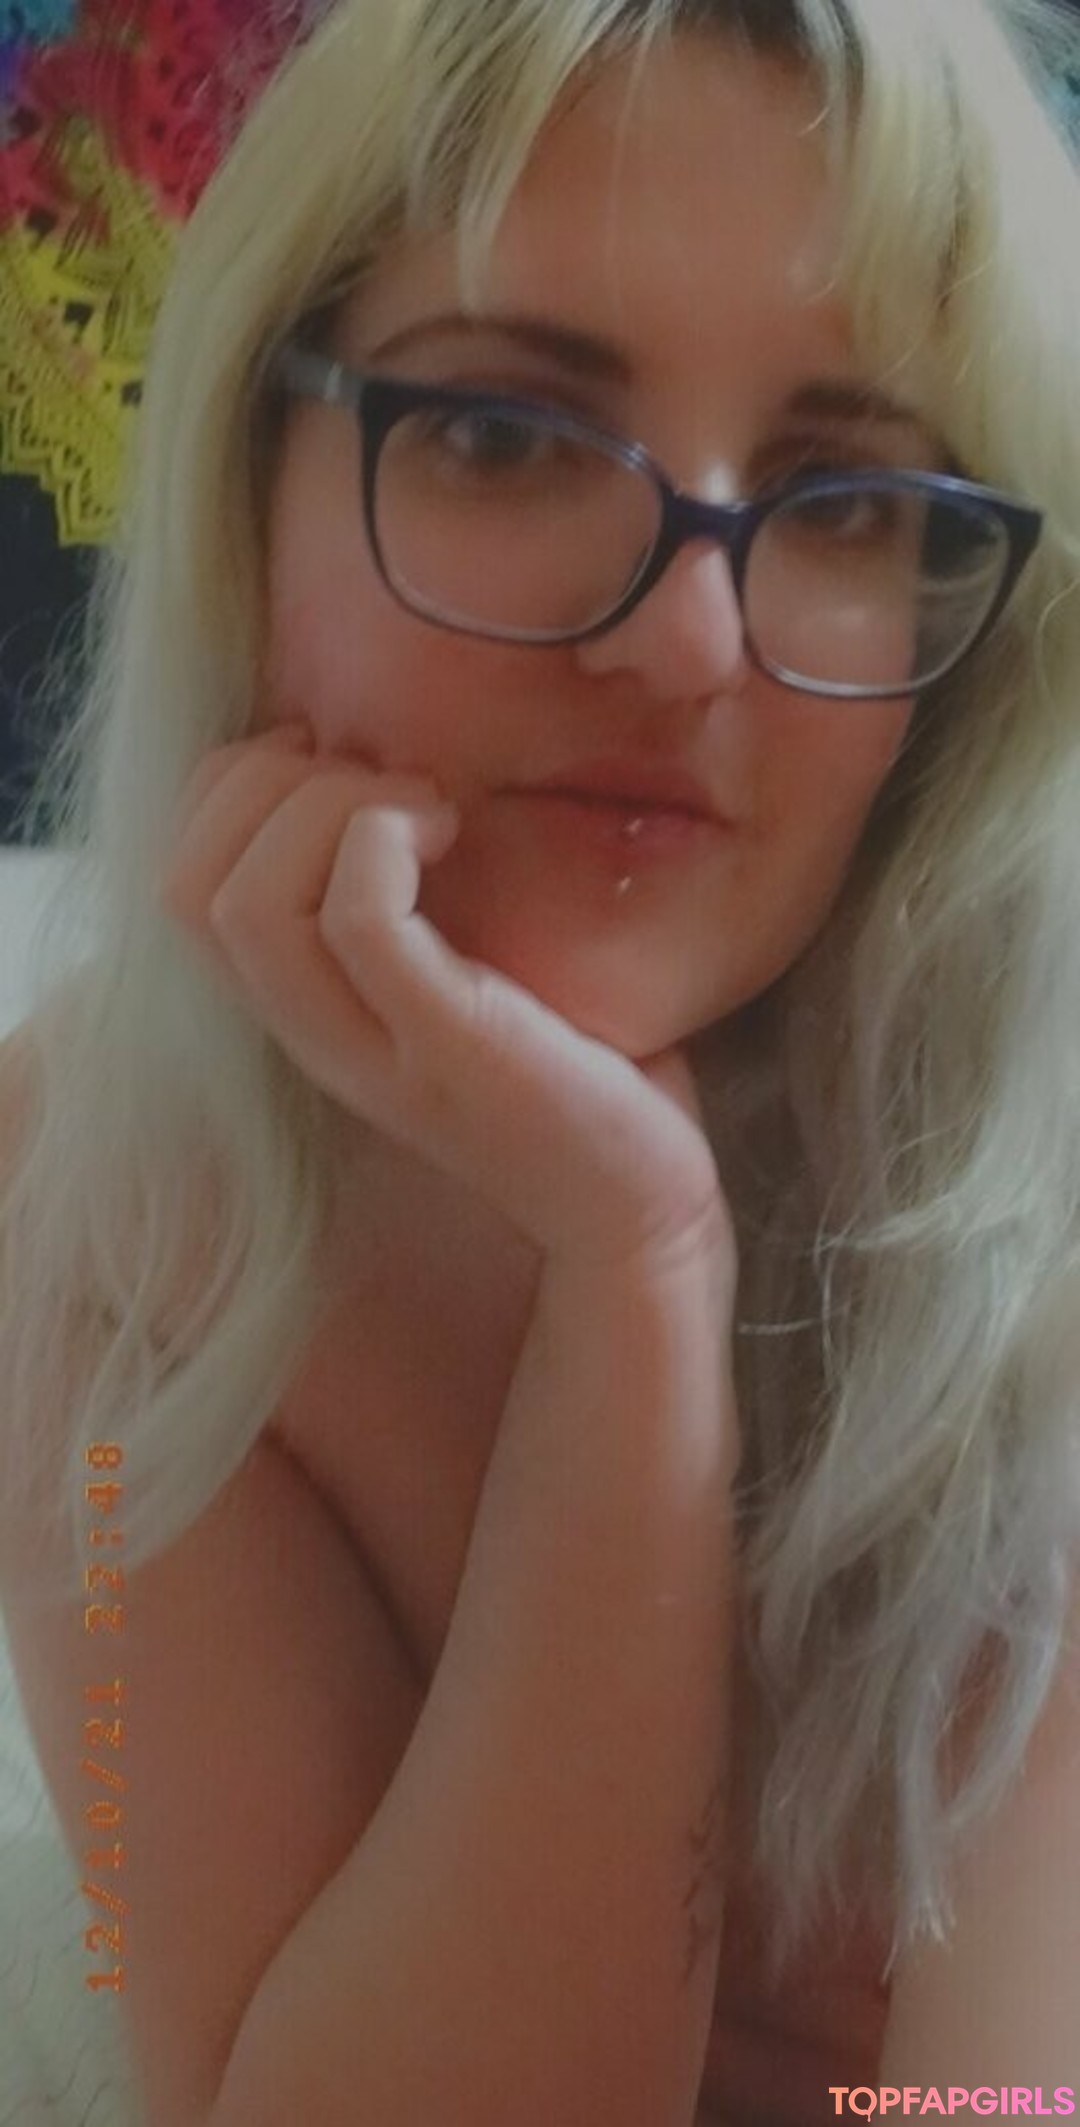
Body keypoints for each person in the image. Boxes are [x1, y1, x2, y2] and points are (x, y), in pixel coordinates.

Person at [1, 0, 1079, 2120]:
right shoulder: (86, 1178)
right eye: (502, 436)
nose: (685, 641)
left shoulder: (1032, 1204)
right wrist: (638, 1273)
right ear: (249, 489)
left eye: (844, 497)